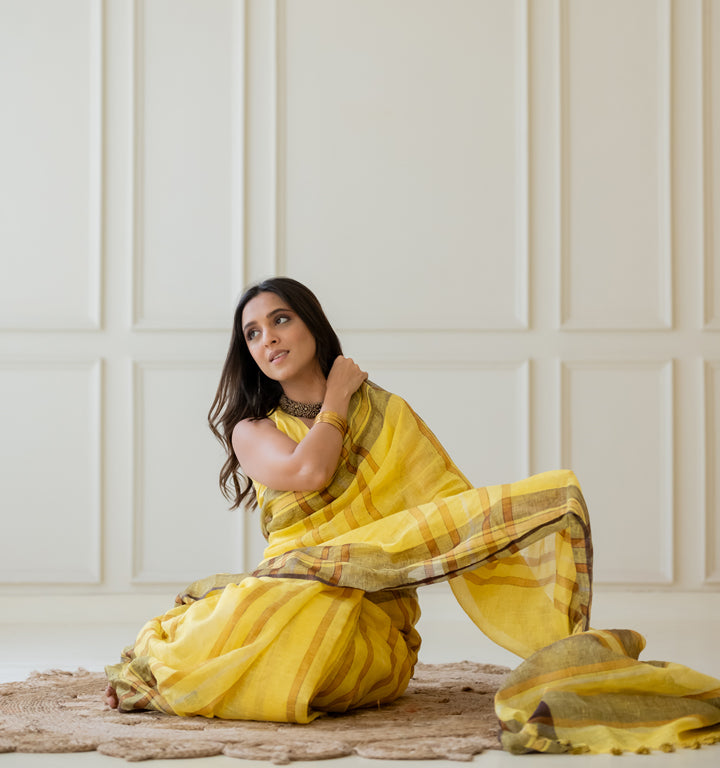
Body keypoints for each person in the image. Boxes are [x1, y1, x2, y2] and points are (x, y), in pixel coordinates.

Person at [104, 278, 720, 754]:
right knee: (290, 608)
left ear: (313, 324)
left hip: (375, 616)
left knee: (318, 636)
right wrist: (338, 395)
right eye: (253, 333)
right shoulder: (253, 429)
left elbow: (444, 509)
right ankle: (167, 669)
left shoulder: (386, 414)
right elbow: (308, 473)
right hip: (286, 590)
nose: (268, 339)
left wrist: (526, 512)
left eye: (281, 319)